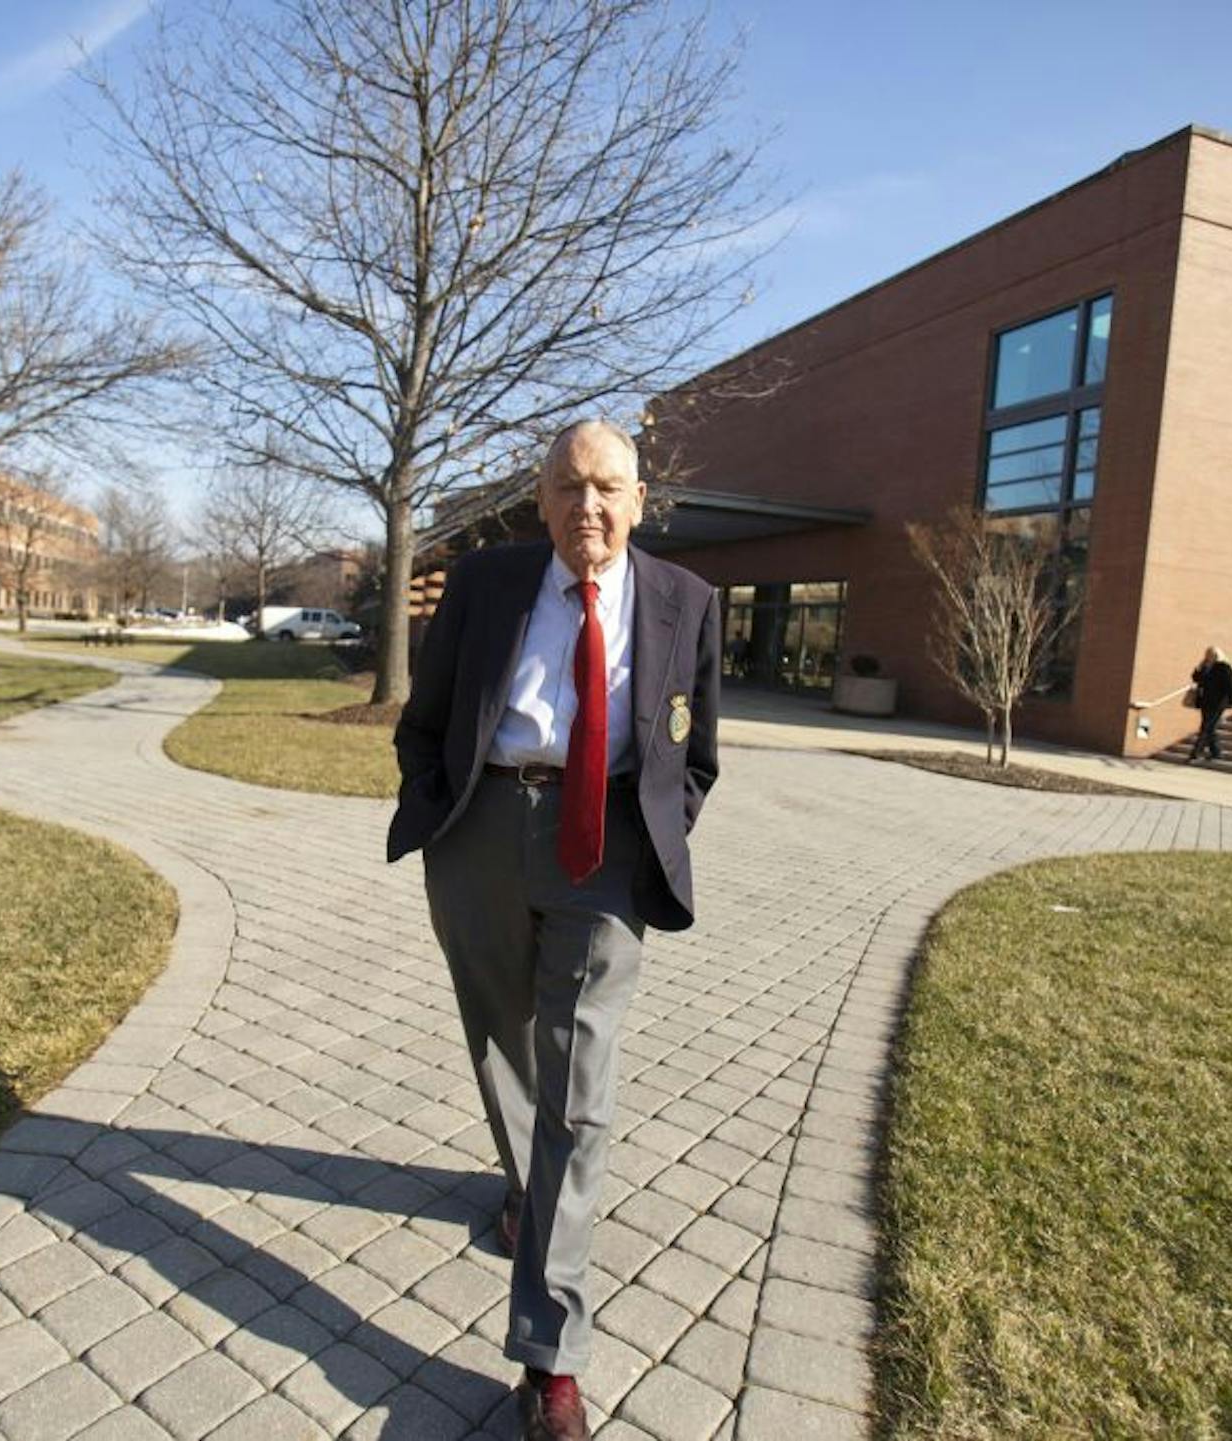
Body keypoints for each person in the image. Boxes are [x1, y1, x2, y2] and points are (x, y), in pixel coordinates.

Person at [387, 419, 721, 1440]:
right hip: (482, 829)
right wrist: (439, 807)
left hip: (604, 845)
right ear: (539, 500)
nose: (589, 507)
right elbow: (424, 717)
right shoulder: (485, 583)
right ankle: (531, 1198)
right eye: (569, 487)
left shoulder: (686, 600)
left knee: (578, 1088)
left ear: (640, 499)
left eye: (609, 487)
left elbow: (697, 752)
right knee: (501, 1041)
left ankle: (550, 1355)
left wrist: (656, 826)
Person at [1188, 644, 1232, 762]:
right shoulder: (1206, 667)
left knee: (1205, 727)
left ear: (1217, 655)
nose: (1208, 656)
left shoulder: (1224, 667)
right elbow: (1196, 678)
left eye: (1210, 654)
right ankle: (1216, 752)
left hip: (1218, 702)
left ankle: (1196, 753)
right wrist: (1200, 667)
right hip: (1205, 702)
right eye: (1207, 654)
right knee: (1210, 728)